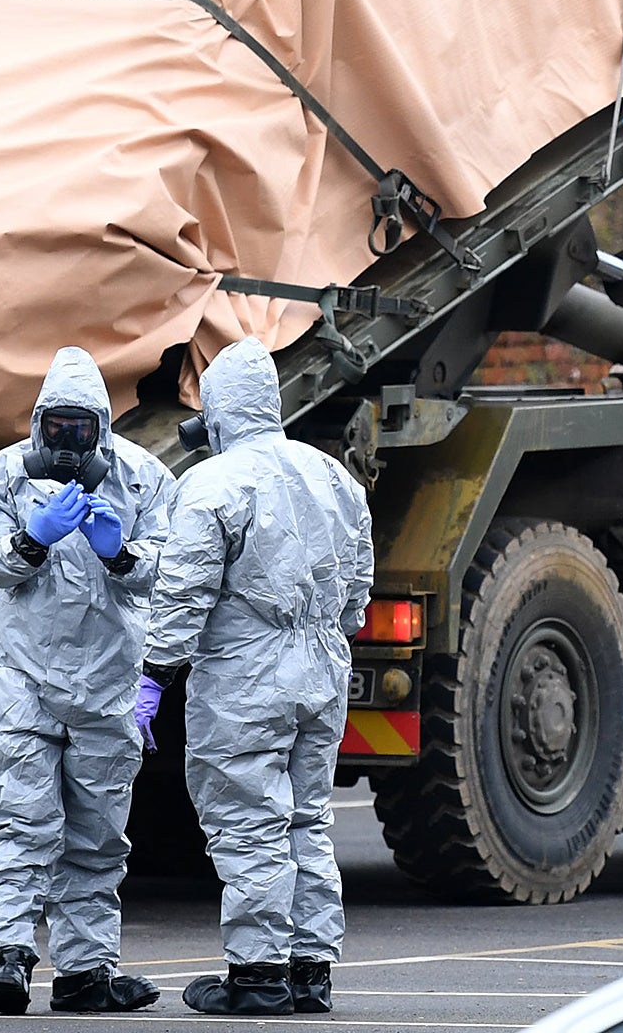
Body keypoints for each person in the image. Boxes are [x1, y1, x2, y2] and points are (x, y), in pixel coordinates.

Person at [138, 336, 374, 1017]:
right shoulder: (334, 477)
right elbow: (358, 593)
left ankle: (258, 974)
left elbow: (184, 594)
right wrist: (326, 629)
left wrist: (156, 674)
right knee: (306, 819)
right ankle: (310, 971)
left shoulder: (212, 482)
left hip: (246, 672)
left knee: (249, 822)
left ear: (216, 408)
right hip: (322, 665)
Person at [0, 346, 174, 1015]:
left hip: (107, 684)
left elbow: (172, 568)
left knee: (97, 833)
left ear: (102, 429)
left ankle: (85, 973)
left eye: (81, 432)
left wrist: (123, 554)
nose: (67, 444)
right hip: (22, 680)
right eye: (57, 430)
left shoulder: (142, 480)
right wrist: (32, 539)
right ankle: (9, 955)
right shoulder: (4, 476)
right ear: (38, 425)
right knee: (22, 819)